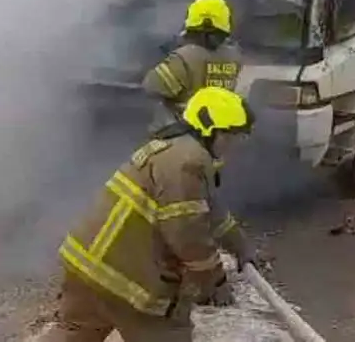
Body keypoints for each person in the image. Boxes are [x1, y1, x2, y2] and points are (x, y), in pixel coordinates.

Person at [48, 87, 266, 342]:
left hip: (87, 264)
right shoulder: (188, 161)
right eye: (233, 136)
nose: (235, 146)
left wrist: (241, 246)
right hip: (126, 281)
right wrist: (214, 282)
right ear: (210, 130)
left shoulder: (172, 150)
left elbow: (211, 211)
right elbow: (187, 232)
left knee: (73, 332)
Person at [142, 0, 241, 138]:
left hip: (181, 135)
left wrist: (170, 55)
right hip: (218, 135)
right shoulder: (234, 57)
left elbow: (151, 87)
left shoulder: (184, 58)